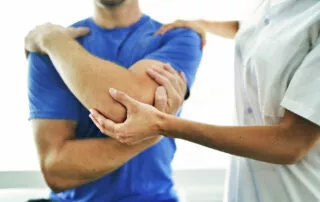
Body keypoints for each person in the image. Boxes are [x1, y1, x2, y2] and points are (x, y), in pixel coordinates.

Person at [88, 0, 320, 202]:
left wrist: (164, 124)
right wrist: (202, 24)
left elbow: (292, 143)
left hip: (297, 193)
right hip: (246, 190)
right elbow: (259, 28)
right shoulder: (269, 4)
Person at [25, 0, 202, 201]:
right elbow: (56, 171)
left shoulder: (178, 37)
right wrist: (150, 135)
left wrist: (54, 42)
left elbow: (124, 109)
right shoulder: (47, 50)